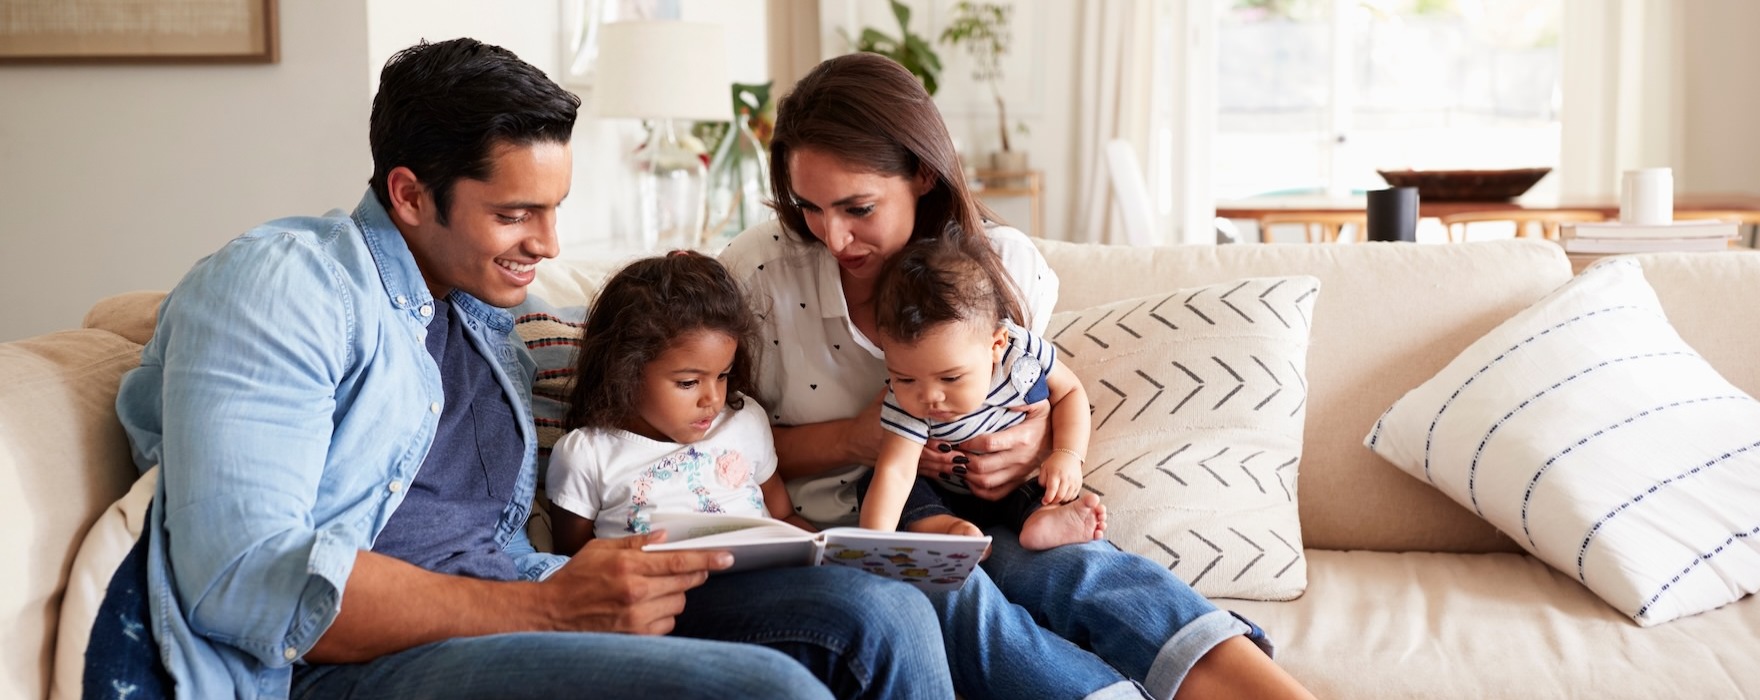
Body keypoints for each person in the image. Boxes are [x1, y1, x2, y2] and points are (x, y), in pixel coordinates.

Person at [101, 39, 950, 700]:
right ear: (409, 195)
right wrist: (549, 608)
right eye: (515, 214)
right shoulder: (283, 286)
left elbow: (645, 358)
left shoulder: (481, 309)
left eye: (554, 210)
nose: (547, 245)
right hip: (353, 665)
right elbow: (244, 576)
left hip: (529, 595)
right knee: (769, 692)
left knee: (884, 614)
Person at [719, 52, 1318, 700]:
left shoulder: (1001, 266)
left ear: (922, 173)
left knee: (1081, 572)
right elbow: (705, 446)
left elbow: (1035, 396)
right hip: (854, 528)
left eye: (858, 207)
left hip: (992, 506)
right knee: (949, 590)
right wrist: (858, 440)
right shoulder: (759, 274)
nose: (833, 237)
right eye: (809, 207)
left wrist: (1033, 448)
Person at [544, 251, 813, 553]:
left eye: (723, 375)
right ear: (625, 372)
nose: (713, 399)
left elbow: (784, 517)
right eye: (688, 383)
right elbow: (575, 566)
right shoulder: (587, 455)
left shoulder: (745, 419)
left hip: (770, 580)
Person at [861, 235, 1106, 551]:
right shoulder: (905, 400)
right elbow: (896, 471)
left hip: (1016, 484)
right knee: (877, 482)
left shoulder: (1019, 356)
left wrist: (1068, 455)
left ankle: (1043, 520)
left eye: (950, 378)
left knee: (1046, 486)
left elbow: (1070, 391)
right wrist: (870, 548)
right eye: (905, 379)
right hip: (945, 495)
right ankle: (946, 528)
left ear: (996, 344)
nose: (929, 396)